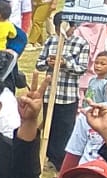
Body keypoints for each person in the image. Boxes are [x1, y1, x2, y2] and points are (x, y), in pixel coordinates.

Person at [36, 16, 92, 168]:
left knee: (65, 128)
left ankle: (61, 160)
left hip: (68, 95)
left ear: (73, 27)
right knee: (50, 126)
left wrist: (65, 63)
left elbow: (81, 69)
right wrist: (48, 62)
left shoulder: (81, 44)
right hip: (50, 93)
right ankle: (49, 156)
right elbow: (39, 64)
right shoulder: (50, 41)